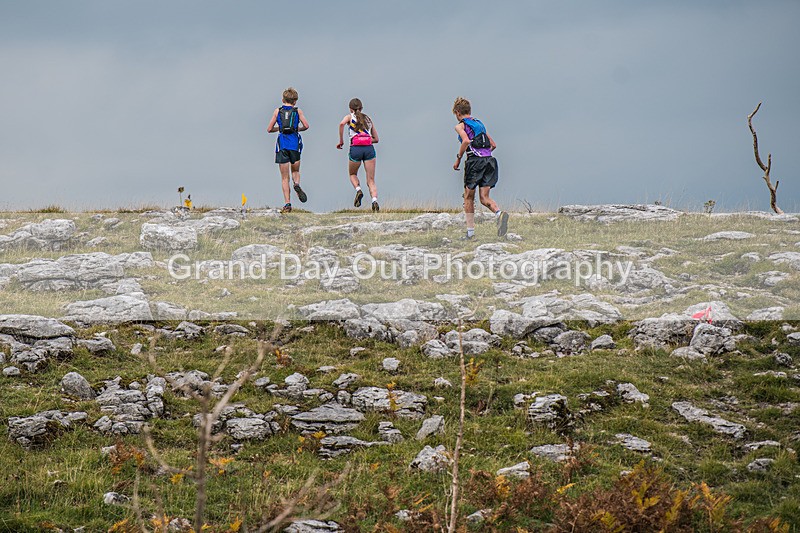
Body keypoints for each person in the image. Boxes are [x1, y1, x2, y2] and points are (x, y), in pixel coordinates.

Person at [452, 97, 508, 238]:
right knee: (484, 198)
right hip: (490, 161)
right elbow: (493, 144)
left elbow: (465, 141)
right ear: (469, 111)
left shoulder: (461, 125)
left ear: (457, 113)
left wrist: (458, 159)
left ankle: (470, 233)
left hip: (475, 162)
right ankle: (499, 214)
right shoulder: (480, 124)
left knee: (468, 197)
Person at [266, 87, 310, 213]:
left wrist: (279, 129)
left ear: (282, 99)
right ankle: (297, 184)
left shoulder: (277, 111)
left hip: (282, 145)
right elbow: (306, 126)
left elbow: (269, 129)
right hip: (295, 145)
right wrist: (297, 129)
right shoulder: (297, 111)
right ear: (295, 101)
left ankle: (287, 204)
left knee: (284, 178)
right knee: (295, 170)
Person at [337, 98, 380, 212]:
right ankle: (374, 201)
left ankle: (358, 190)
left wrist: (341, 141)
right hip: (369, 149)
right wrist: (366, 139)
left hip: (355, 149)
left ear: (350, 109)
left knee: (352, 173)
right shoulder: (368, 119)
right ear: (361, 108)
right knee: (371, 180)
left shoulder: (349, 117)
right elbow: (376, 139)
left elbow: (341, 124)